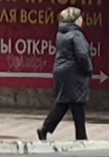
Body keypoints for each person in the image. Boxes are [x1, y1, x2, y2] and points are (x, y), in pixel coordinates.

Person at [38, 7, 92, 141]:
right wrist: (88, 69)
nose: (82, 20)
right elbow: (82, 55)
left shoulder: (61, 33)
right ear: (75, 20)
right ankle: (81, 136)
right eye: (80, 17)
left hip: (62, 71)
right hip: (73, 72)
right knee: (77, 102)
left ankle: (46, 129)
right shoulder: (76, 34)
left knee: (65, 103)